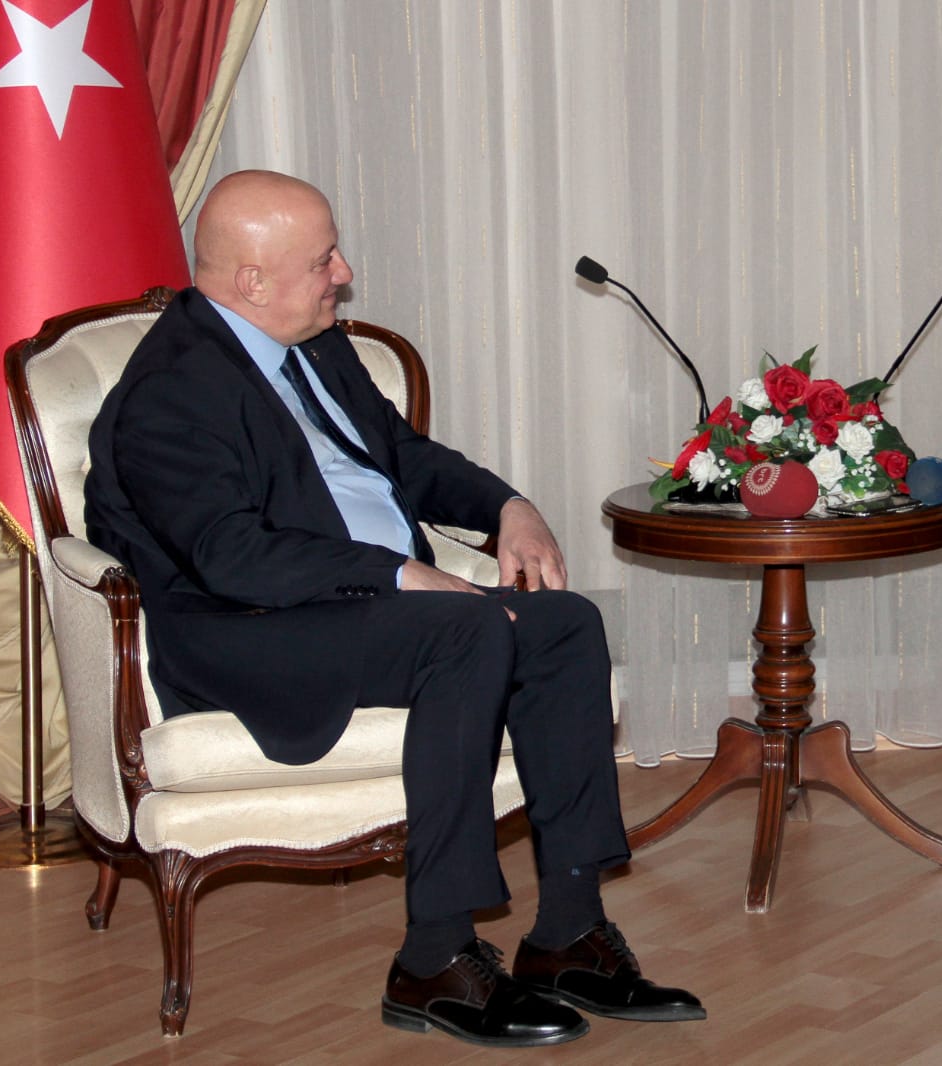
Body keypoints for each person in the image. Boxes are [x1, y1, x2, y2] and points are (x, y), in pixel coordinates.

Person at [85, 170, 704, 1049]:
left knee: (567, 624)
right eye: (322, 260)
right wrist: (401, 576)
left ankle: (570, 934)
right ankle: (435, 955)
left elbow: (405, 459)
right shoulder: (171, 390)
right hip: (248, 630)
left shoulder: (314, 346)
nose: (343, 273)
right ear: (250, 280)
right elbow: (232, 556)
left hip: (361, 606)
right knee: (466, 630)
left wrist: (507, 507)